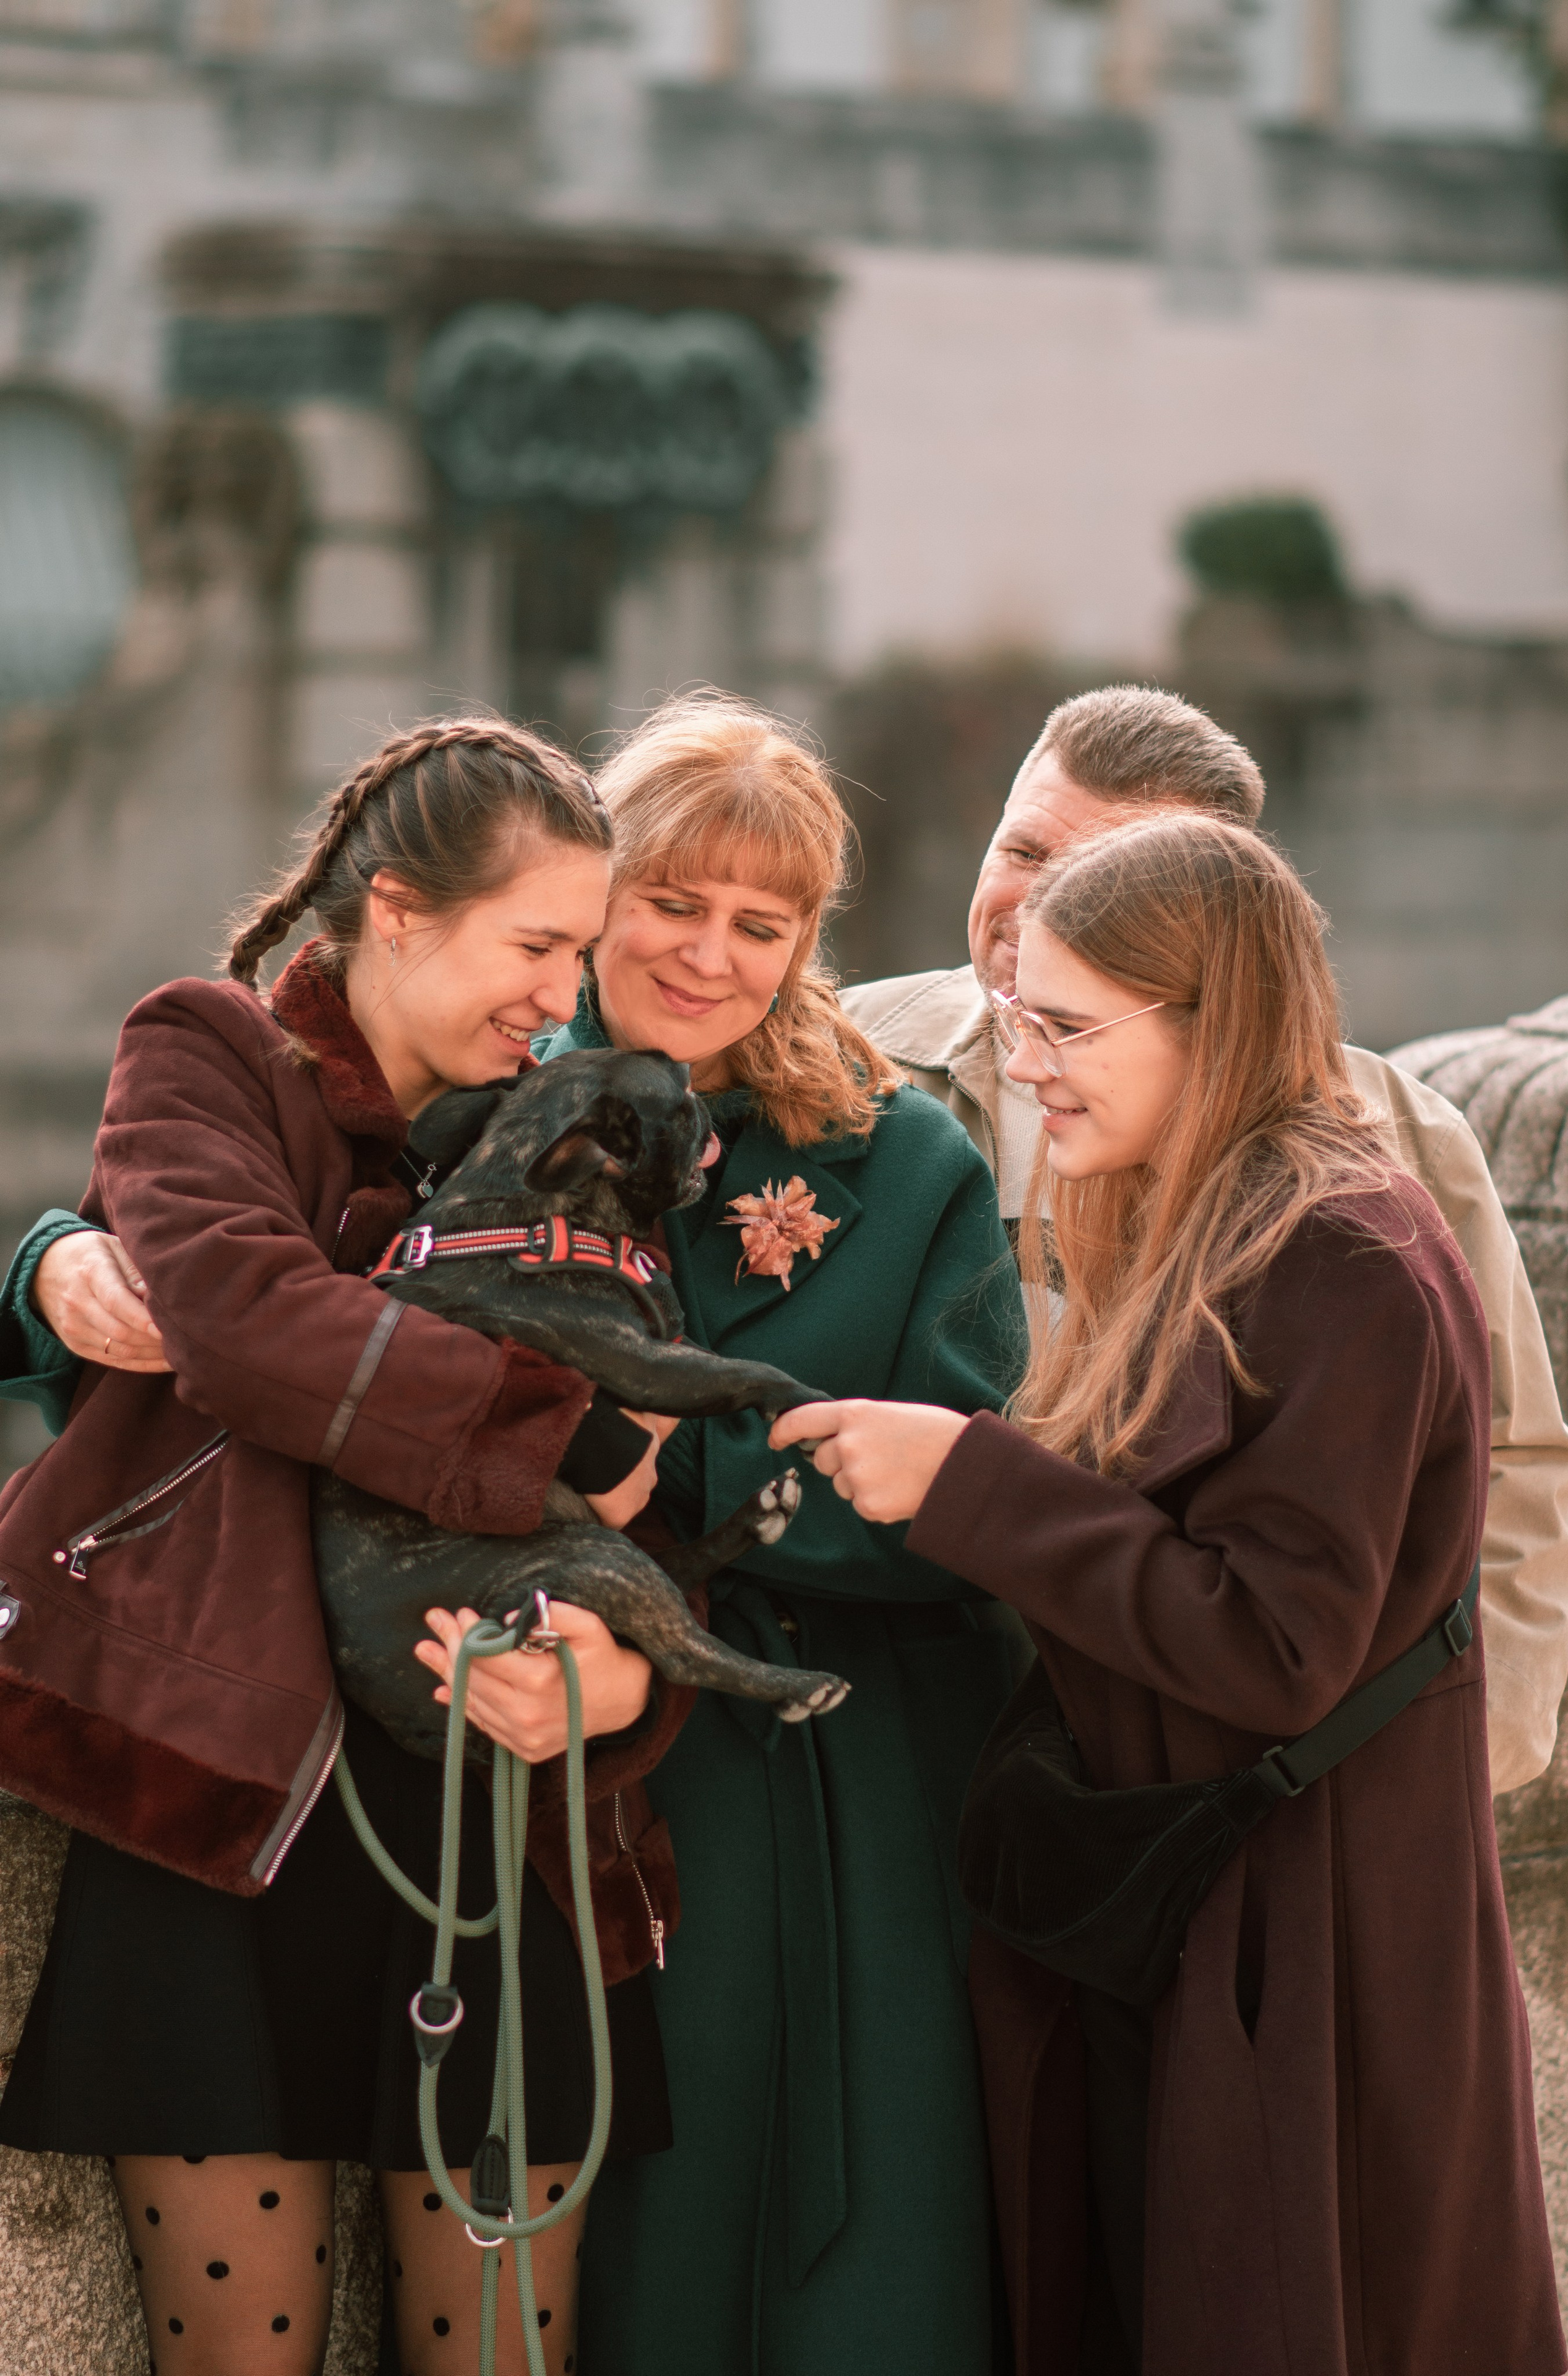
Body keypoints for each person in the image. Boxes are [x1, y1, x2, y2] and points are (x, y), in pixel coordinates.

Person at [781, 812, 1563, 2376]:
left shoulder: (1338, 1251)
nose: (1030, 1065)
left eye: (1067, 1028)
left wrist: (967, 1484)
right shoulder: (1216, 1211)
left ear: (1212, 1020)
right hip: (1215, 1909)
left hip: (1301, 1927)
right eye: (1016, 1019)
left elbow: (1272, 1645)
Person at [0, 718, 692, 2376]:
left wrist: (622, 1682)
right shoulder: (206, 1053)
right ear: (395, 911)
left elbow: (678, 1510)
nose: (560, 993)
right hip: (214, 1797)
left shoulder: (586, 1128)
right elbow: (242, 1324)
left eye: (581, 955)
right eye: (535, 945)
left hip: (497, 1817)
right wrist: (562, 1433)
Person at [425, 693, 1030, 2375]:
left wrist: (664, 1480)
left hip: (838, 1788)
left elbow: (966, 1491)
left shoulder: (904, 1158)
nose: (708, 953)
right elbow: (201, 1236)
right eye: (669, 903)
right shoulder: (467, 1095)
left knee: (850, 2278)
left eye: (761, 924)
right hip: (528, 1770)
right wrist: (49, 1268)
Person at [841, 684, 1568, 1796]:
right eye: (1024, 848)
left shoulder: (1390, 1145)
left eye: (1107, 880)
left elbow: (1510, 1469)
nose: (1038, 904)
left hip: (1200, 1785)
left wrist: (1435, 1777)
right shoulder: (840, 1064)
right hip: (886, 1741)